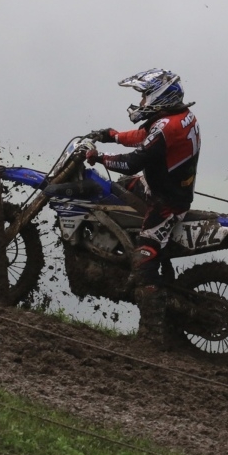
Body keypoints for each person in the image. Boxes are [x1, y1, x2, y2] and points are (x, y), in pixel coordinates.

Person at [85, 69, 200, 345]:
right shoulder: (180, 117)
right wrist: (112, 135)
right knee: (117, 190)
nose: (142, 102)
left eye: (145, 96)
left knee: (143, 262)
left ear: (160, 96)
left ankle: (153, 333)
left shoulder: (167, 127)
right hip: (158, 185)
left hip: (167, 202)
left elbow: (133, 162)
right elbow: (145, 137)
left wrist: (99, 157)